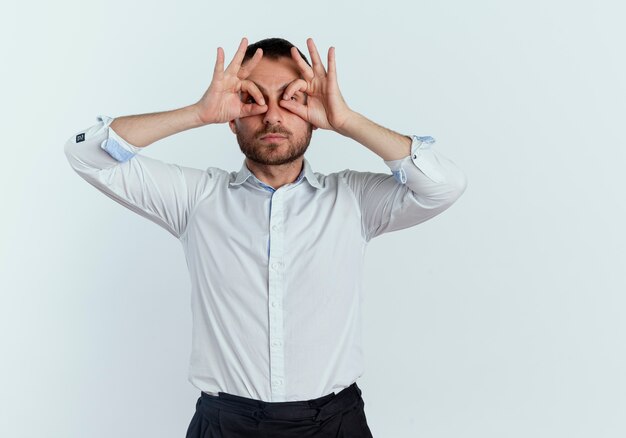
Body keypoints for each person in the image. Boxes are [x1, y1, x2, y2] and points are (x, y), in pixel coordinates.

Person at [64, 36, 467, 438]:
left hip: (334, 424)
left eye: (292, 99)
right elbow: (86, 154)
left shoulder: (354, 200)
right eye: (253, 99)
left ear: (314, 113)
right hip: (225, 425)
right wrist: (196, 113)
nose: (273, 115)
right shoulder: (195, 199)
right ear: (232, 117)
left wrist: (347, 121)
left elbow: (444, 185)